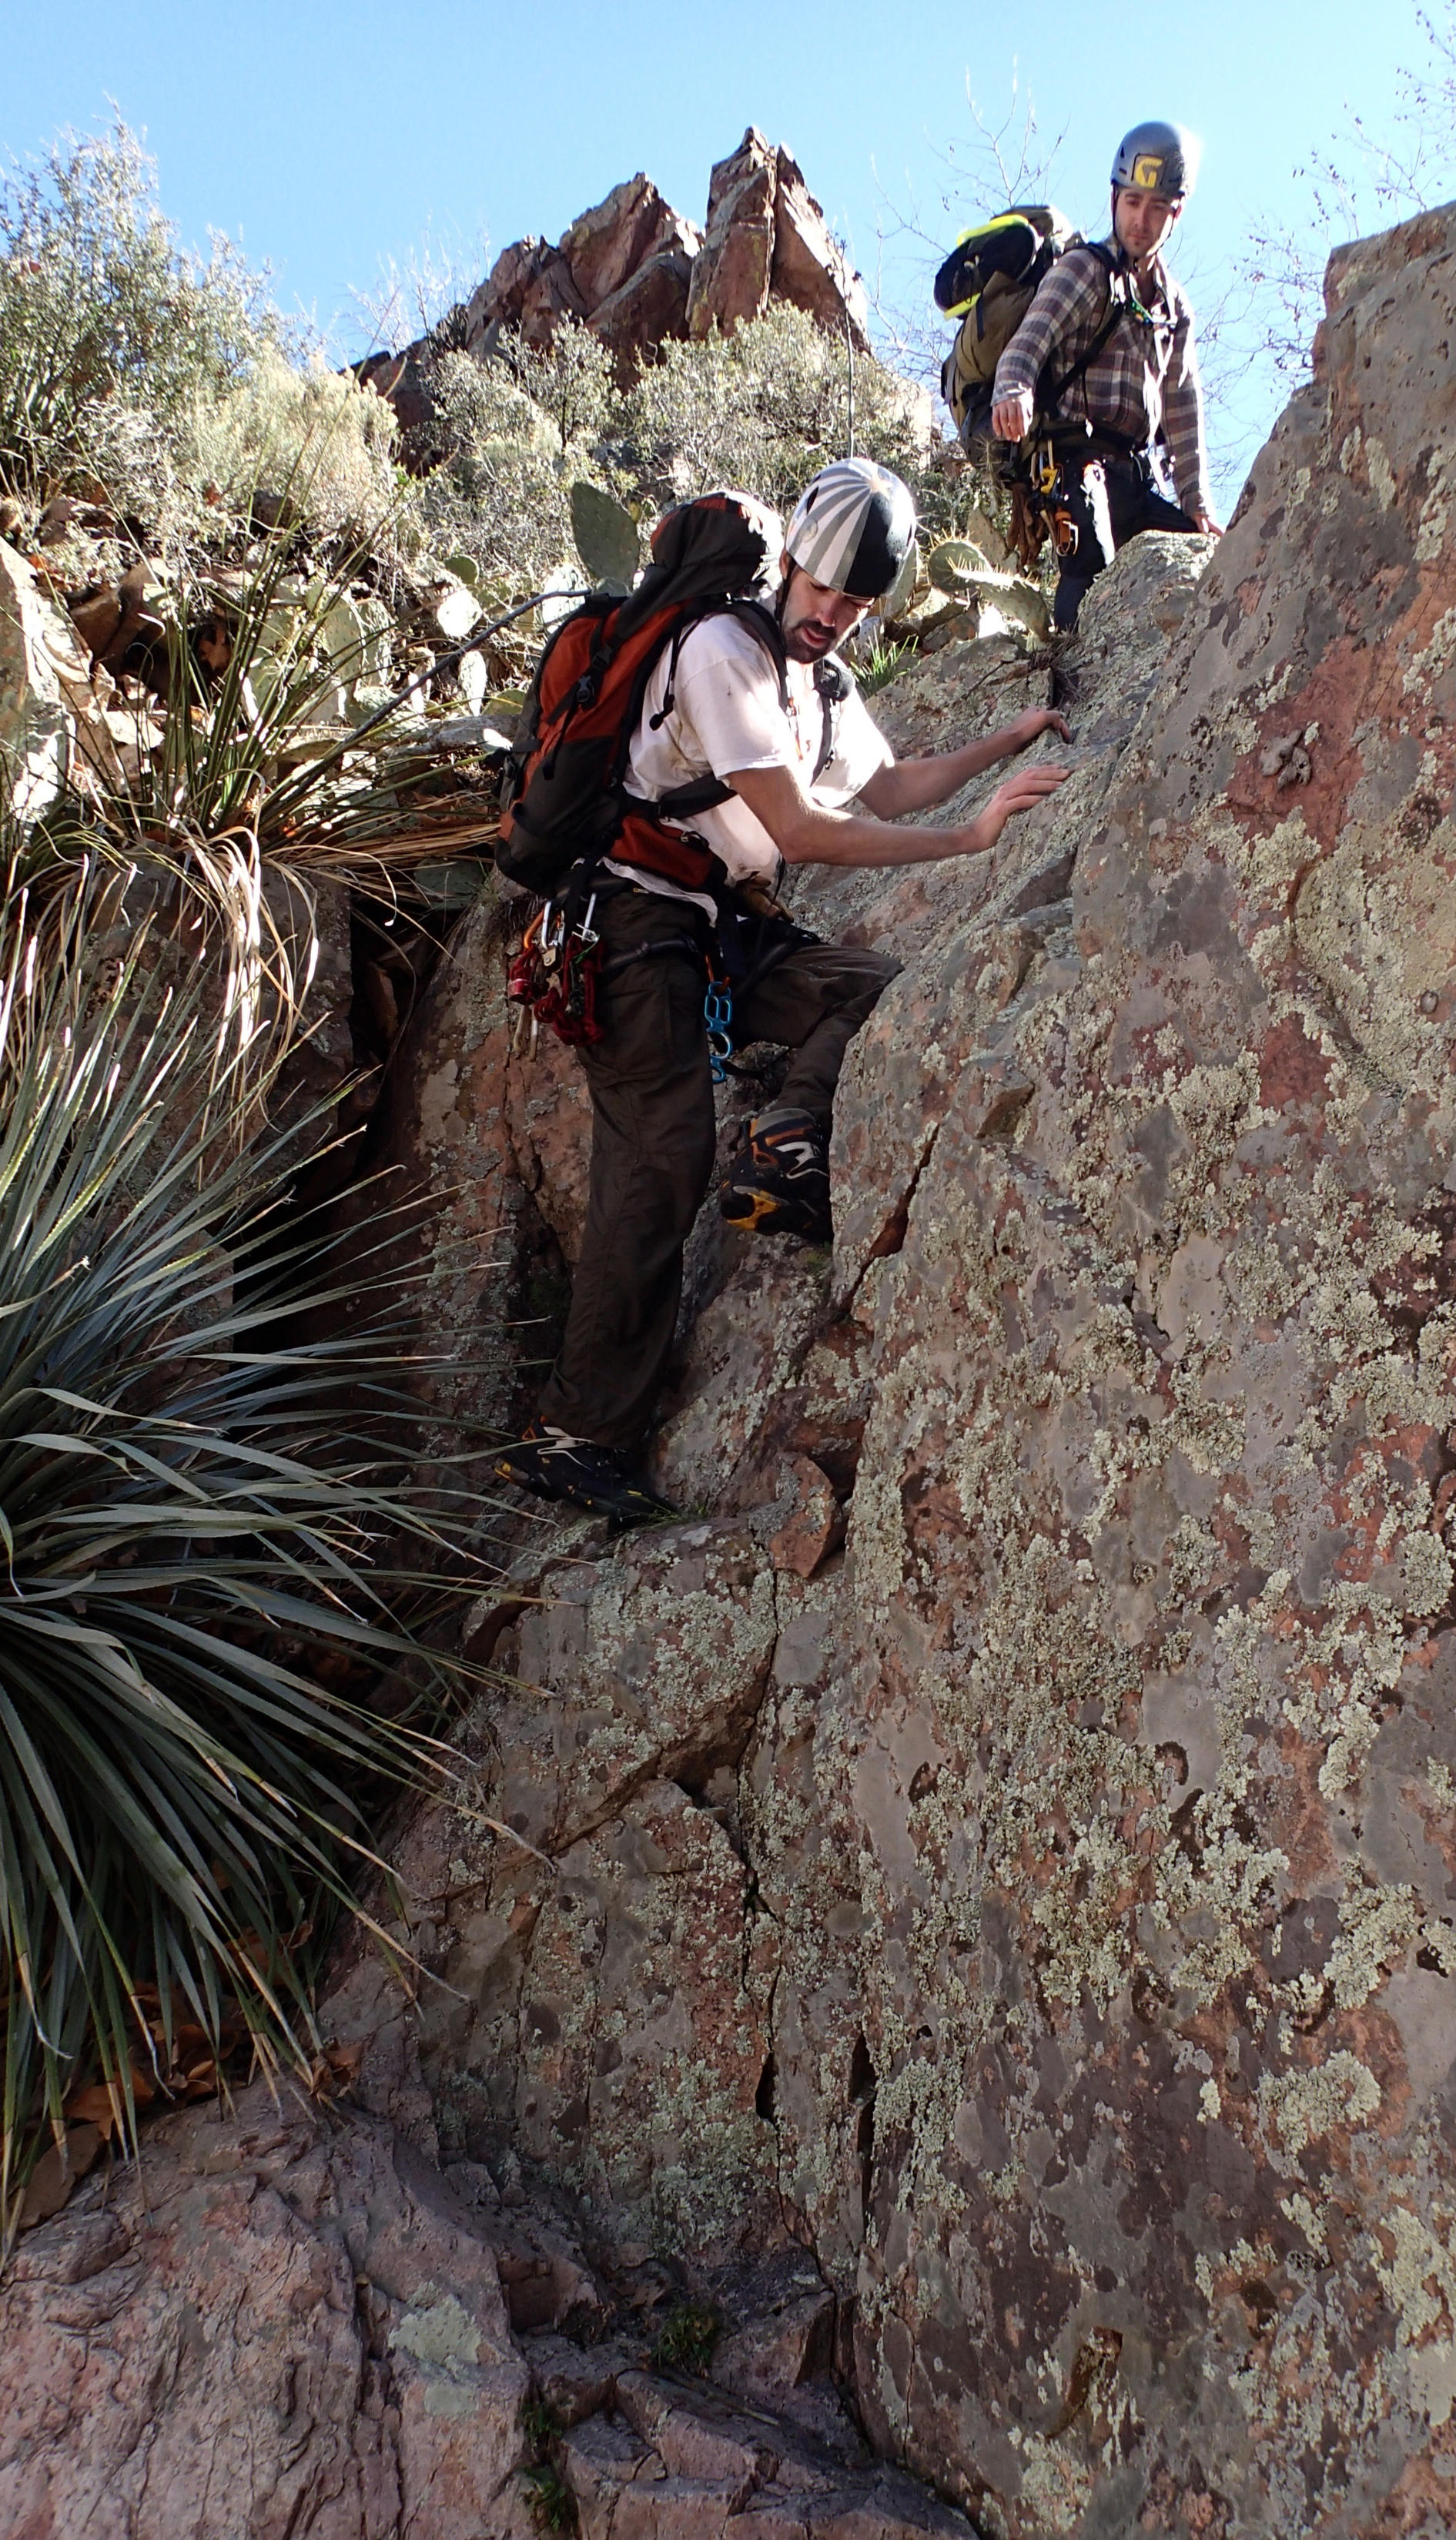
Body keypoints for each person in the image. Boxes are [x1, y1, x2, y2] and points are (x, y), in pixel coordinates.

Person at [500, 457, 1070, 1524]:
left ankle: (787, 1149)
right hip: (627, 920)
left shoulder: (819, 685)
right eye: (823, 590)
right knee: (662, 1157)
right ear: (793, 563)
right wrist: (970, 838)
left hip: (719, 926)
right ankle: (575, 1433)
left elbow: (887, 782)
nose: (835, 616)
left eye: (858, 602)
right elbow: (804, 829)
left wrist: (1006, 745)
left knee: (869, 989)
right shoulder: (721, 649)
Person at [989, 120, 1221, 628]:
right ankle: (1068, 667)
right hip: (1071, 461)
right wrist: (1013, 392)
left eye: (1157, 206)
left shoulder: (1173, 308)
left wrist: (1196, 504)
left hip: (1135, 475)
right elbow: (1026, 345)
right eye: (1133, 201)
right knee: (1090, 561)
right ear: (1114, 196)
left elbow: (1183, 407)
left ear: (1175, 212)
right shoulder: (1083, 269)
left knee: (1203, 561)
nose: (1141, 219)